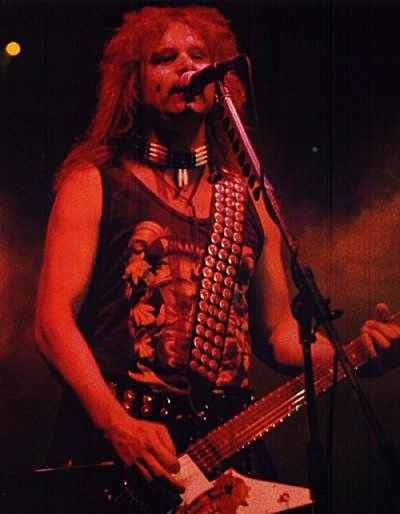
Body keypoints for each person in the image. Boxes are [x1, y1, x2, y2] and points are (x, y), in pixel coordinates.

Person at [35, 5, 399, 513]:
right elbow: (52, 321)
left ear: (222, 80)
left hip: (230, 448)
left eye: (198, 55)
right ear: (134, 83)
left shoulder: (251, 198)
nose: (186, 66)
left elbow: (277, 334)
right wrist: (116, 424)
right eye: (164, 58)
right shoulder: (94, 183)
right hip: (127, 453)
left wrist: (358, 354)